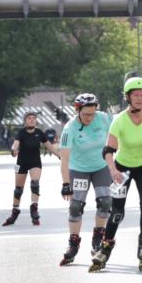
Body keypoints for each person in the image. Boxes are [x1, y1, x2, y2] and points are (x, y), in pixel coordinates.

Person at [89, 77, 142, 273]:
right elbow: (107, 150)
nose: (140, 98)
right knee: (117, 212)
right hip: (122, 168)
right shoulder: (119, 120)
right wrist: (113, 171)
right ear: (128, 97)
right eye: (136, 95)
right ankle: (106, 246)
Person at [59, 93, 113, 266]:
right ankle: (73, 243)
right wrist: (66, 183)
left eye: (92, 114)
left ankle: (98, 237)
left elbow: (118, 133)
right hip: (78, 169)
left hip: (101, 167)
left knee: (105, 202)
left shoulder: (104, 119)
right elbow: (65, 159)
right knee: (75, 206)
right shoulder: (70, 128)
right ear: (78, 111)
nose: (89, 118)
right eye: (85, 114)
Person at [2, 111, 60, 226]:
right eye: (29, 118)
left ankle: (34, 208)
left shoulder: (40, 133)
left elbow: (49, 146)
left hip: (35, 162)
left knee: (35, 184)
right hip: (21, 163)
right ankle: (15, 212)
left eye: (34, 118)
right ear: (25, 121)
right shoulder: (21, 133)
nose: (32, 120)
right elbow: (15, 144)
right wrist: (14, 150)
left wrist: (59, 155)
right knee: (18, 189)